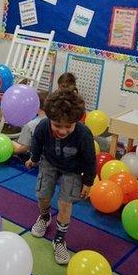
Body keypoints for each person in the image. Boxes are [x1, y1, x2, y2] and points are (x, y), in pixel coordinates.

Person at [25, 88, 96, 265]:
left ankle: (59, 239)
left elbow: (90, 159)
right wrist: (33, 159)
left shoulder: (83, 134)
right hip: (49, 162)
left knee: (65, 203)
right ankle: (44, 216)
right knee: (42, 194)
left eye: (68, 126)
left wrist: (88, 181)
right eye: (57, 125)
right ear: (49, 119)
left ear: (76, 122)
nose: (62, 131)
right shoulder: (42, 126)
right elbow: (37, 143)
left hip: (72, 169)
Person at [12, 90, 49, 162]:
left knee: (11, 142)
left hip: (34, 158)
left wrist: (10, 152)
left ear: (36, 105)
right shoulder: (55, 122)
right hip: (50, 158)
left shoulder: (30, 125)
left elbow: (25, 147)